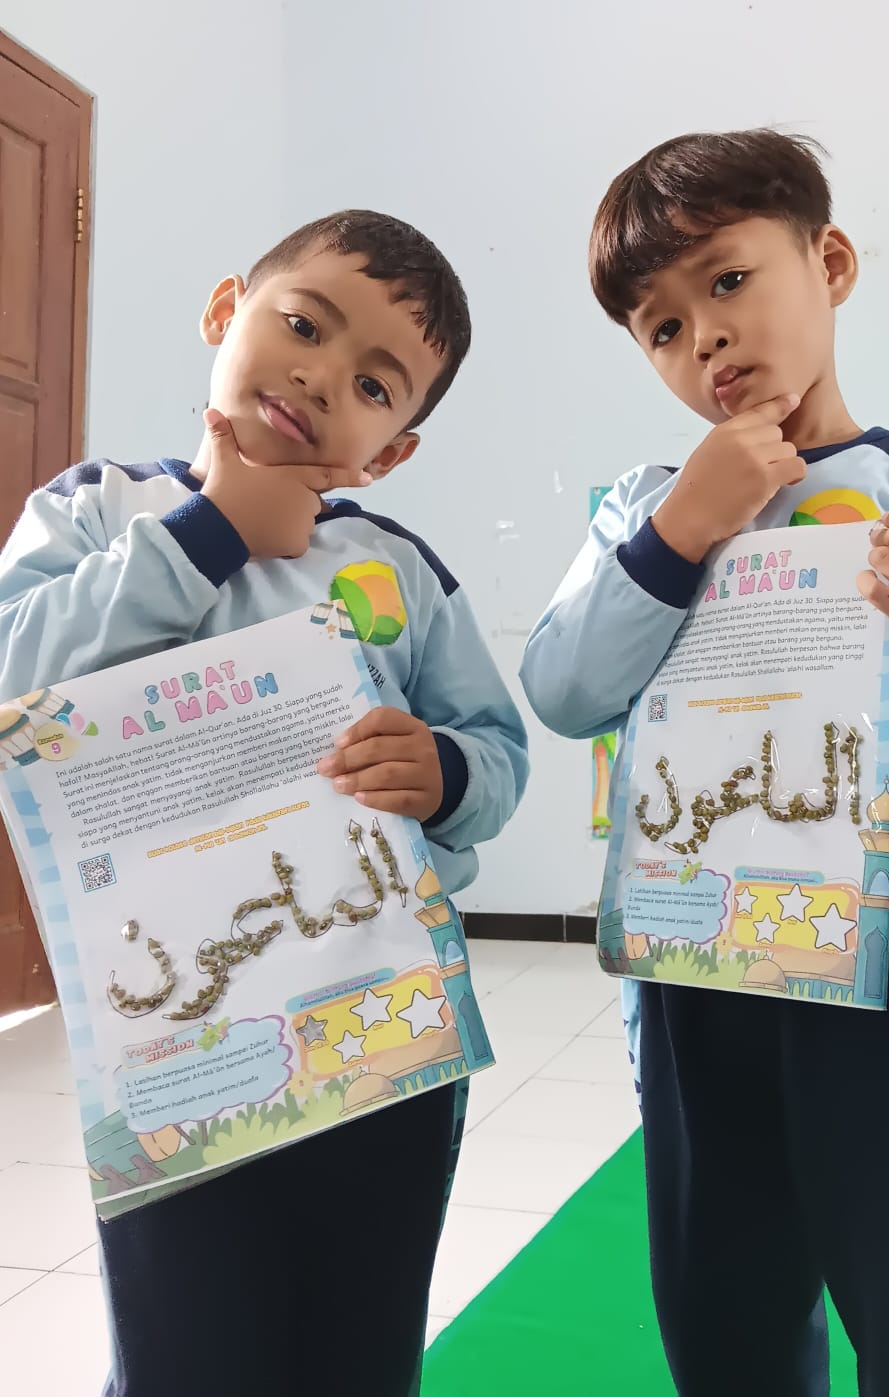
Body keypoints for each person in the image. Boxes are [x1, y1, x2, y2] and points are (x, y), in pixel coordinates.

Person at [0, 210, 528, 1397]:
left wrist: (445, 772)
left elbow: (499, 748)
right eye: (302, 323)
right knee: (186, 1347)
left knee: (360, 1342)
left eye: (375, 384)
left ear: (389, 452)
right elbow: (10, 670)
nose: (322, 376)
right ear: (224, 309)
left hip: (382, 1027)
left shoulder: (398, 566)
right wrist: (211, 533)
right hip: (176, 1039)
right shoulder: (100, 510)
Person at [520, 129, 889, 1396]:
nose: (705, 339)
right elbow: (562, 688)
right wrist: (681, 528)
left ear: (830, 262)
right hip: (698, 957)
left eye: (727, 282)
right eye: (662, 328)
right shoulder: (643, 507)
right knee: (722, 1292)